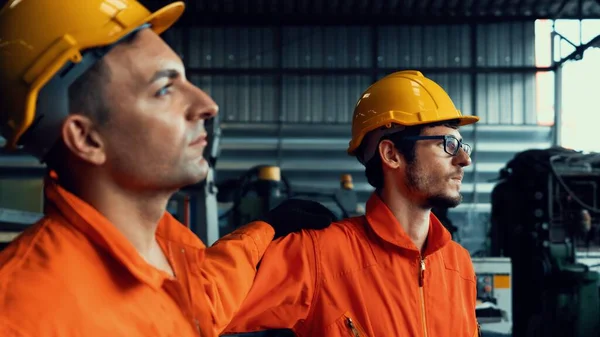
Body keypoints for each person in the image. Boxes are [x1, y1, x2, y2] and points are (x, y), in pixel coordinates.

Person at [0, 1, 326, 336]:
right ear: (85, 138)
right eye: (164, 89)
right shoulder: (22, 313)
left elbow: (212, 292)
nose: (207, 105)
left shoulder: (167, 248)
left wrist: (266, 228)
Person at [222, 70, 482, 337]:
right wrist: (261, 232)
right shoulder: (318, 255)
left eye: (464, 146)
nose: (464, 159)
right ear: (391, 154)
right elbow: (199, 304)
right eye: (448, 144)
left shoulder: (458, 263)